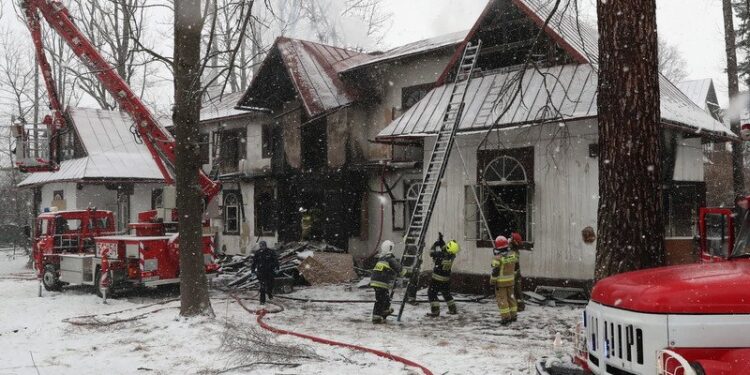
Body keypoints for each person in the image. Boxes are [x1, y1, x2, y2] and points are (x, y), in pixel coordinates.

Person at [426, 233, 459, 317]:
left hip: (437, 279)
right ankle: (453, 309)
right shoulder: (452, 255)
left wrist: (435, 244)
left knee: (432, 293)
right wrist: (441, 241)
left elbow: (431, 253)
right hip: (446, 279)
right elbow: (445, 248)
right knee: (446, 293)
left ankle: (435, 311)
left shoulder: (441, 254)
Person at [369, 240, 402, 324]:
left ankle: (384, 311)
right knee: (380, 300)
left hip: (375, 281)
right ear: (391, 248)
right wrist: (407, 272)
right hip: (381, 282)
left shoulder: (381, 258)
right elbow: (398, 269)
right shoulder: (390, 259)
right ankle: (376, 318)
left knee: (385, 297)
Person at [490, 235, 518, 325]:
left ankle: (506, 318)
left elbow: (495, 271)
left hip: (501, 283)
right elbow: (515, 266)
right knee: (511, 298)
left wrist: (492, 281)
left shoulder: (497, 258)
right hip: (511, 281)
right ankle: (513, 315)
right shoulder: (513, 254)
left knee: (502, 300)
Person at [251, 241, 279, 305]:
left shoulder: (270, 252)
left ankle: (269, 293)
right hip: (261, 272)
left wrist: (277, 268)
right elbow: (254, 262)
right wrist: (252, 271)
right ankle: (262, 301)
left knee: (270, 285)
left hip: (270, 272)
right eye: (260, 246)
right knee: (262, 286)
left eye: (263, 246)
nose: (262, 247)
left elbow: (276, 261)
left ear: (265, 246)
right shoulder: (258, 253)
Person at [509, 232, 525, 312]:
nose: (510, 239)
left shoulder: (514, 251)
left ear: (515, 241)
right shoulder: (513, 249)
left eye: (511, 238)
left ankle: (520, 306)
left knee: (516, 290)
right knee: (515, 289)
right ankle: (518, 305)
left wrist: (501, 257)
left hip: (515, 272)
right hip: (515, 272)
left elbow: (510, 259)